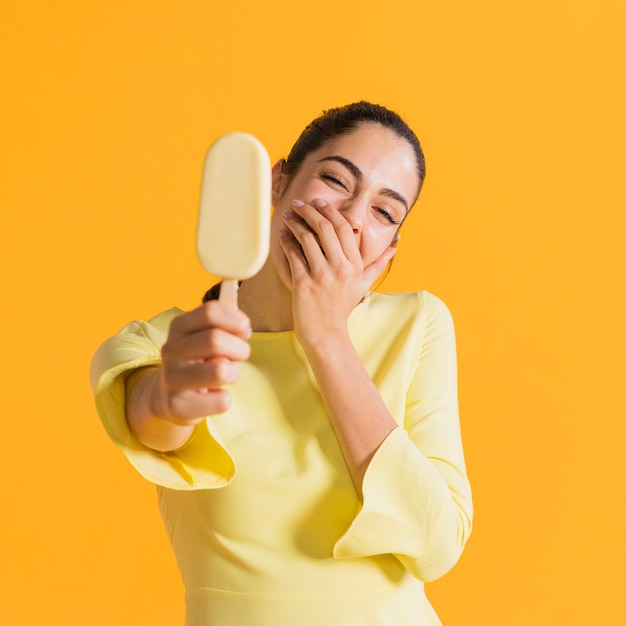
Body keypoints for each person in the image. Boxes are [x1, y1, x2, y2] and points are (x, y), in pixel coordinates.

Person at [90, 101, 473, 625]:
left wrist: (327, 335)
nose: (352, 218)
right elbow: (154, 420)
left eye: (384, 211)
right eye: (337, 180)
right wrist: (169, 396)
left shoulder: (420, 323)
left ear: (390, 246)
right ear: (277, 184)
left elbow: (437, 546)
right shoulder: (168, 342)